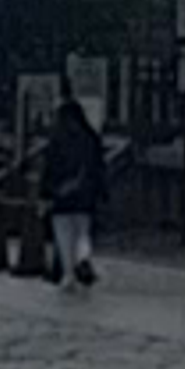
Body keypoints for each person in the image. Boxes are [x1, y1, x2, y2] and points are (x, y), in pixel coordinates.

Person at [38, 88, 110, 287]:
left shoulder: (57, 139)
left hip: (61, 196)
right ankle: (83, 260)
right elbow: (99, 168)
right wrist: (102, 192)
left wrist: (45, 192)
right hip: (85, 197)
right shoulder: (91, 138)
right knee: (82, 233)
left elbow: (49, 168)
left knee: (64, 236)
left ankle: (68, 274)